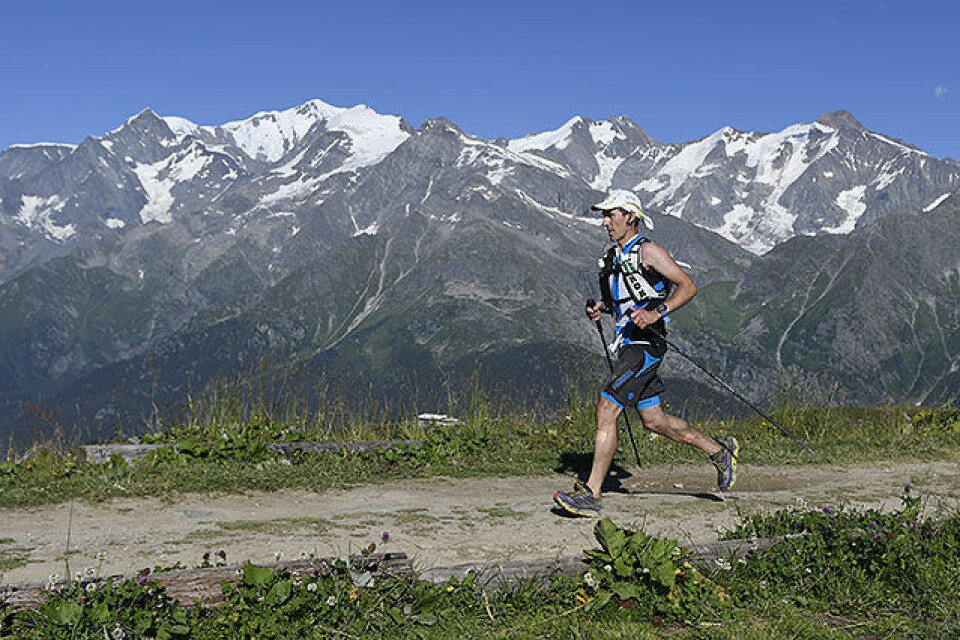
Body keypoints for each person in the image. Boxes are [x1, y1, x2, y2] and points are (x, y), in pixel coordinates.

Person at [554, 190, 739, 518]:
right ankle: (720, 450)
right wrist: (601, 308)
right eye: (604, 216)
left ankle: (591, 493)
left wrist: (657, 313)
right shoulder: (613, 257)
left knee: (607, 406)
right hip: (627, 343)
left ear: (630, 217)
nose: (605, 222)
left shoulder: (648, 251)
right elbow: (624, 300)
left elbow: (688, 286)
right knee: (654, 421)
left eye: (611, 215)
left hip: (645, 346)